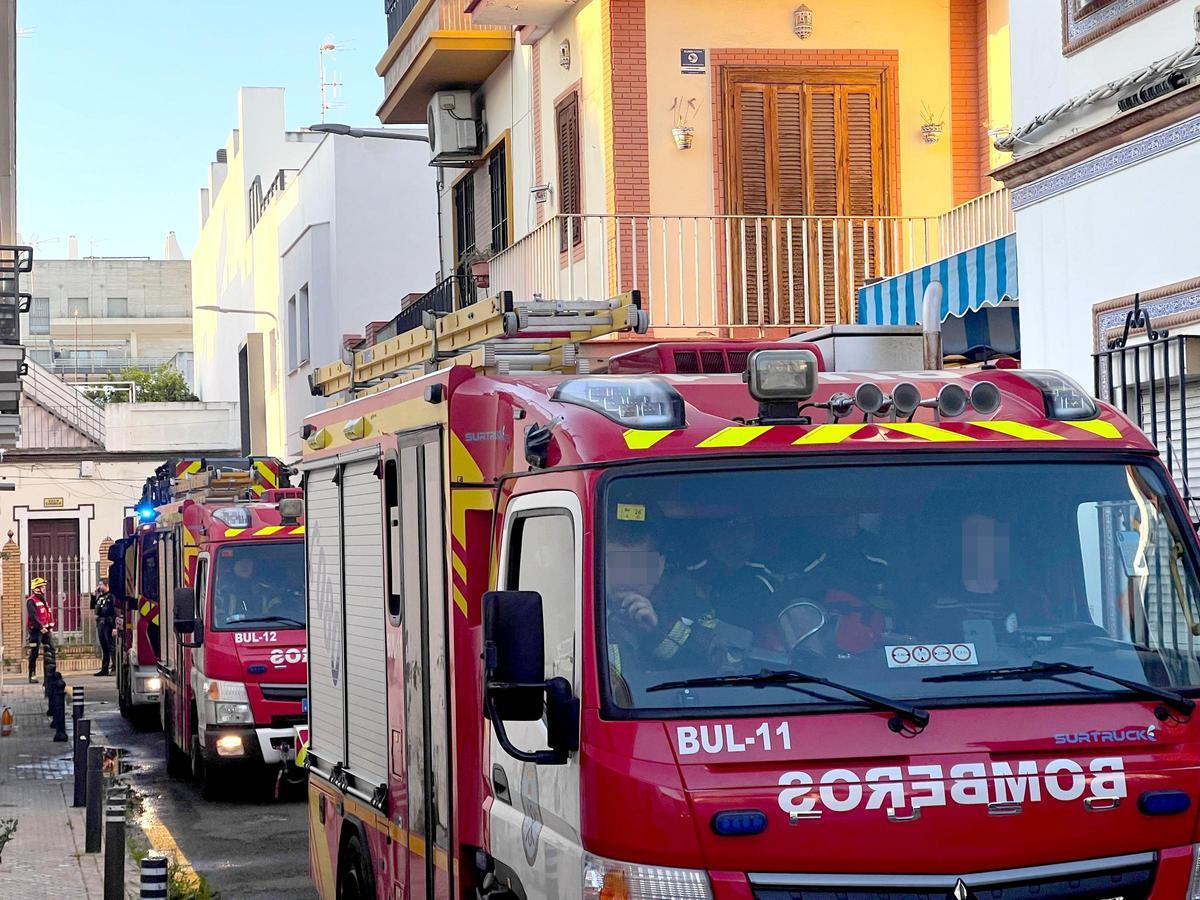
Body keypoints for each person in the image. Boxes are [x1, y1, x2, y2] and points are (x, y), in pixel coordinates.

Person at [26, 577, 55, 684]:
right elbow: (33, 616)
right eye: (42, 586)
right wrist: (40, 627)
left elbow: (48, 614)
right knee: (34, 653)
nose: (44, 588)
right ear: (37, 588)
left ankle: (50, 676)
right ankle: (32, 675)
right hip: (35, 631)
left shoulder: (43, 600)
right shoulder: (31, 600)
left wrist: (50, 627)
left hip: (45, 630)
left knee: (51, 650)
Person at [90, 578, 117, 676]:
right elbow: (93, 606)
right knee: (104, 648)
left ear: (106, 585)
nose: (99, 586)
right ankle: (104, 669)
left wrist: (114, 627)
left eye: (101, 584)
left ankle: (114, 668)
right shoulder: (100, 596)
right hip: (100, 623)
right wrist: (93, 596)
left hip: (108, 624)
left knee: (111, 647)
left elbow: (114, 612)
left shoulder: (111, 596)